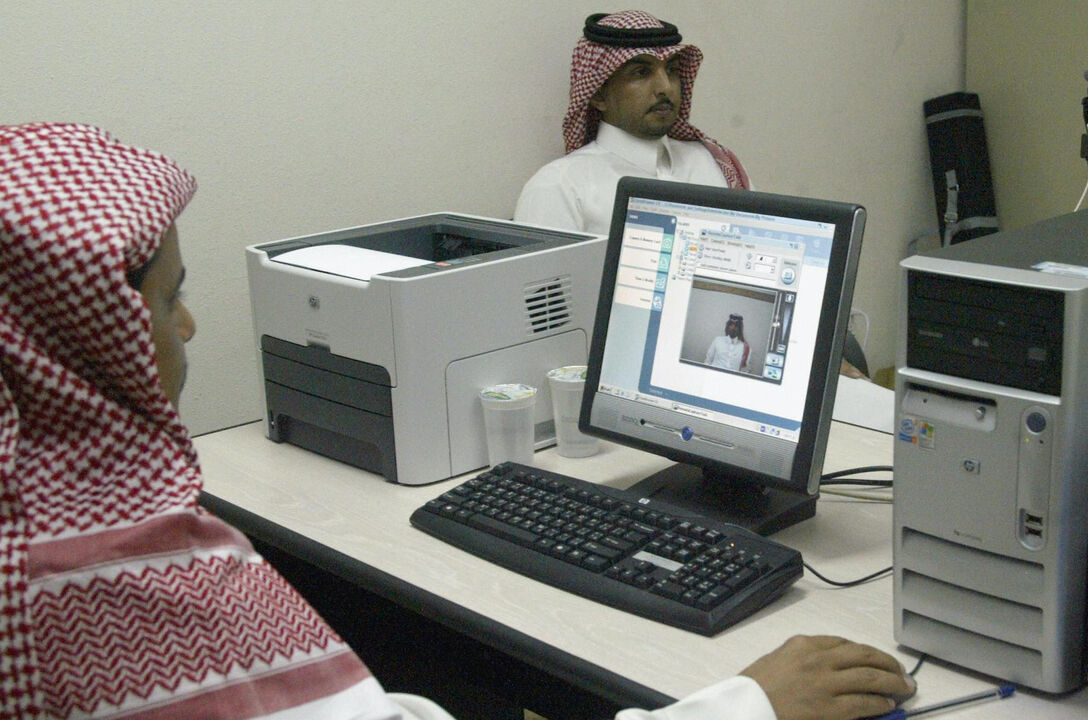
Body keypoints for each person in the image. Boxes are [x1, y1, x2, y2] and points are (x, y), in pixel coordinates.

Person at [0, 123, 911, 719]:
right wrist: (748, 705)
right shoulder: (123, 588)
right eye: (170, 300)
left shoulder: (42, 541)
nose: (190, 324)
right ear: (83, 337)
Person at [513, 10, 750, 236]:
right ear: (598, 95)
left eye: (672, 70)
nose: (665, 87)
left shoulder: (714, 164)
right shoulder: (560, 187)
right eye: (640, 73)